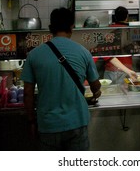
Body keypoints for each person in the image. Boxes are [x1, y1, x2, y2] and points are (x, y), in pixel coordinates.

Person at [21, 8, 101, 151]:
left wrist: (31, 121)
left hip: (48, 124)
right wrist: (96, 93)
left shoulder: (34, 55)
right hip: (77, 122)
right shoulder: (83, 52)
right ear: (72, 27)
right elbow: (95, 85)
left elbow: (27, 93)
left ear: (51, 27)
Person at [83, 15, 137, 83]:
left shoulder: (98, 44)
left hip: (88, 81)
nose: (90, 34)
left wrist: (128, 71)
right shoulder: (77, 42)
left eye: (93, 31)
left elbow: (111, 58)